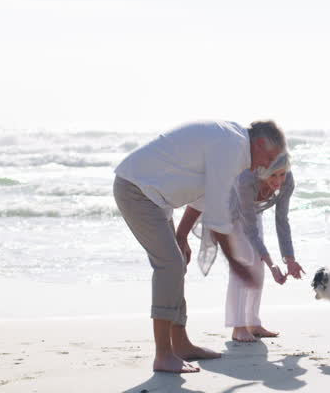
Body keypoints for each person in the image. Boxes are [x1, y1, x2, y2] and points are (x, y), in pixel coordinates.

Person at [113, 120, 286, 373]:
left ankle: (181, 345)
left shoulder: (234, 145)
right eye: (269, 157)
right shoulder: (233, 146)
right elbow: (217, 212)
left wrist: (182, 236)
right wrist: (236, 263)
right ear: (259, 144)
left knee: (177, 263)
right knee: (169, 266)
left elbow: (204, 197)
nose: (267, 165)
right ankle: (163, 355)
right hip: (137, 191)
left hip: (157, 198)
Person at [175, 153, 304, 342]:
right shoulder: (246, 178)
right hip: (228, 210)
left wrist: (289, 260)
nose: (278, 181)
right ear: (261, 172)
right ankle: (239, 327)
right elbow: (250, 232)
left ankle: (253, 322)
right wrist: (272, 264)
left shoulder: (287, 180)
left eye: (282, 174)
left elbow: (282, 220)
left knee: (257, 267)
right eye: (273, 175)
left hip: (252, 212)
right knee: (245, 259)